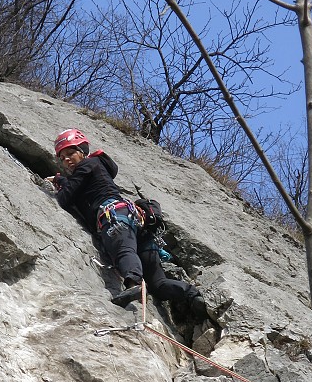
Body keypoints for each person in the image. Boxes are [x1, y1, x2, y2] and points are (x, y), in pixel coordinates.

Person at [48, 128, 209, 320]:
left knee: (124, 251)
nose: (66, 159)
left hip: (115, 217)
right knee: (158, 284)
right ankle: (192, 296)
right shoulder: (97, 167)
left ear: (82, 151)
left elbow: (65, 198)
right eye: (62, 157)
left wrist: (59, 181)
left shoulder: (88, 165)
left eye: (70, 153)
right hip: (138, 226)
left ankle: (133, 285)